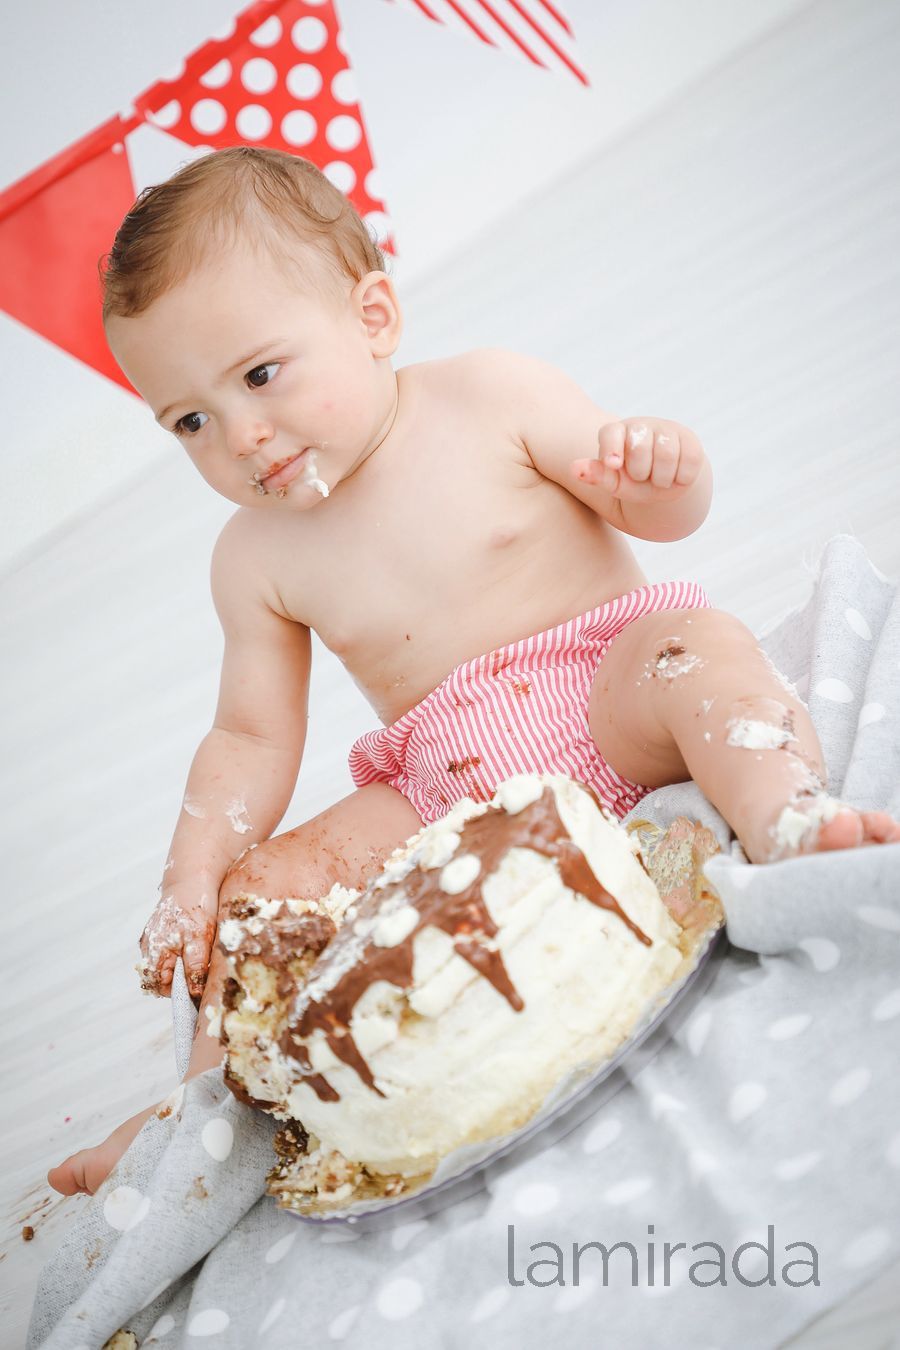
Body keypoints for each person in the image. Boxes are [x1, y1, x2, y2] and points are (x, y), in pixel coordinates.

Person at [48, 146, 900, 1197]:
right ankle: (212, 1097)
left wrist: (662, 473)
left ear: (372, 319)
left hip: (603, 684)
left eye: (260, 375)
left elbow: (657, 515)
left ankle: (784, 814)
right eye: (191, 421)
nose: (243, 437)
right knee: (264, 889)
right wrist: (194, 873)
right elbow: (251, 737)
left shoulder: (490, 393)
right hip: (447, 783)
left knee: (700, 654)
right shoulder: (254, 556)